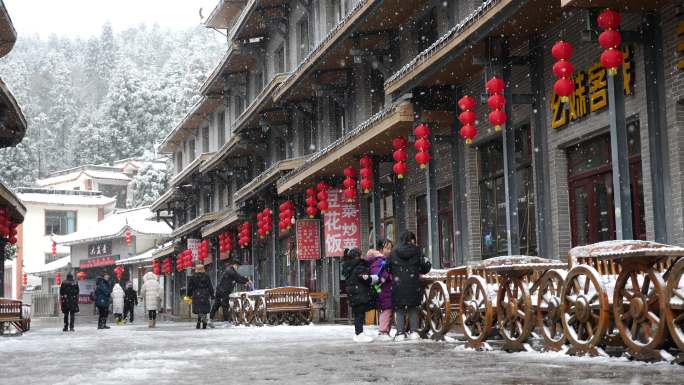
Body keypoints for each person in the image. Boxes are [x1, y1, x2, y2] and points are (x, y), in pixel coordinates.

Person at [387, 231, 431, 341]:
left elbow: (387, 267)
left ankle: (400, 332)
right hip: (413, 284)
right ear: (411, 239)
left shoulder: (393, 252)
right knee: (413, 308)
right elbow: (424, 267)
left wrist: (396, 272)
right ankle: (414, 332)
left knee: (399, 309)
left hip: (398, 284)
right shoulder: (417, 251)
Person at [342, 248, 377, 343]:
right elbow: (365, 278)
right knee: (359, 315)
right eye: (361, 255)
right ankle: (359, 333)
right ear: (358, 256)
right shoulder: (359, 266)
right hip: (359, 294)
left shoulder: (348, 266)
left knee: (358, 314)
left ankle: (359, 332)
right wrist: (373, 278)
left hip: (353, 294)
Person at [367, 239, 394, 341]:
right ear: (380, 249)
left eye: (390, 248)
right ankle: (383, 331)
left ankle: (386, 331)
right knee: (386, 310)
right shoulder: (378, 260)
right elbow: (377, 274)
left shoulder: (384, 260)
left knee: (389, 310)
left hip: (387, 290)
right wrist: (389, 275)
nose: (389, 251)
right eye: (386, 248)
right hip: (382, 290)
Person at [210, 259, 250, 327]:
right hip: (223, 291)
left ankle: (210, 319)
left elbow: (237, 278)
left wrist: (245, 281)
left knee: (217, 305)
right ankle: (225, 321)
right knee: (224, 305)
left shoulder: (230, 270)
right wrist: (247, 280)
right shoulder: (230, 271)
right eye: (238, 266)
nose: (238, 268)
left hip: (221, 290)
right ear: (235, 265)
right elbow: (237, 277)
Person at [187, 264, 214, 329]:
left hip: (196, 294)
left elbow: (190, 287)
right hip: (205, 294)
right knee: (204, 309)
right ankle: (204, 323)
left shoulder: (193, 277)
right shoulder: (206, 276)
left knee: (199, 309)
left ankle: (199, 322)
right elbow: (210, 286)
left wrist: (189, 295)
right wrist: (212, 295)